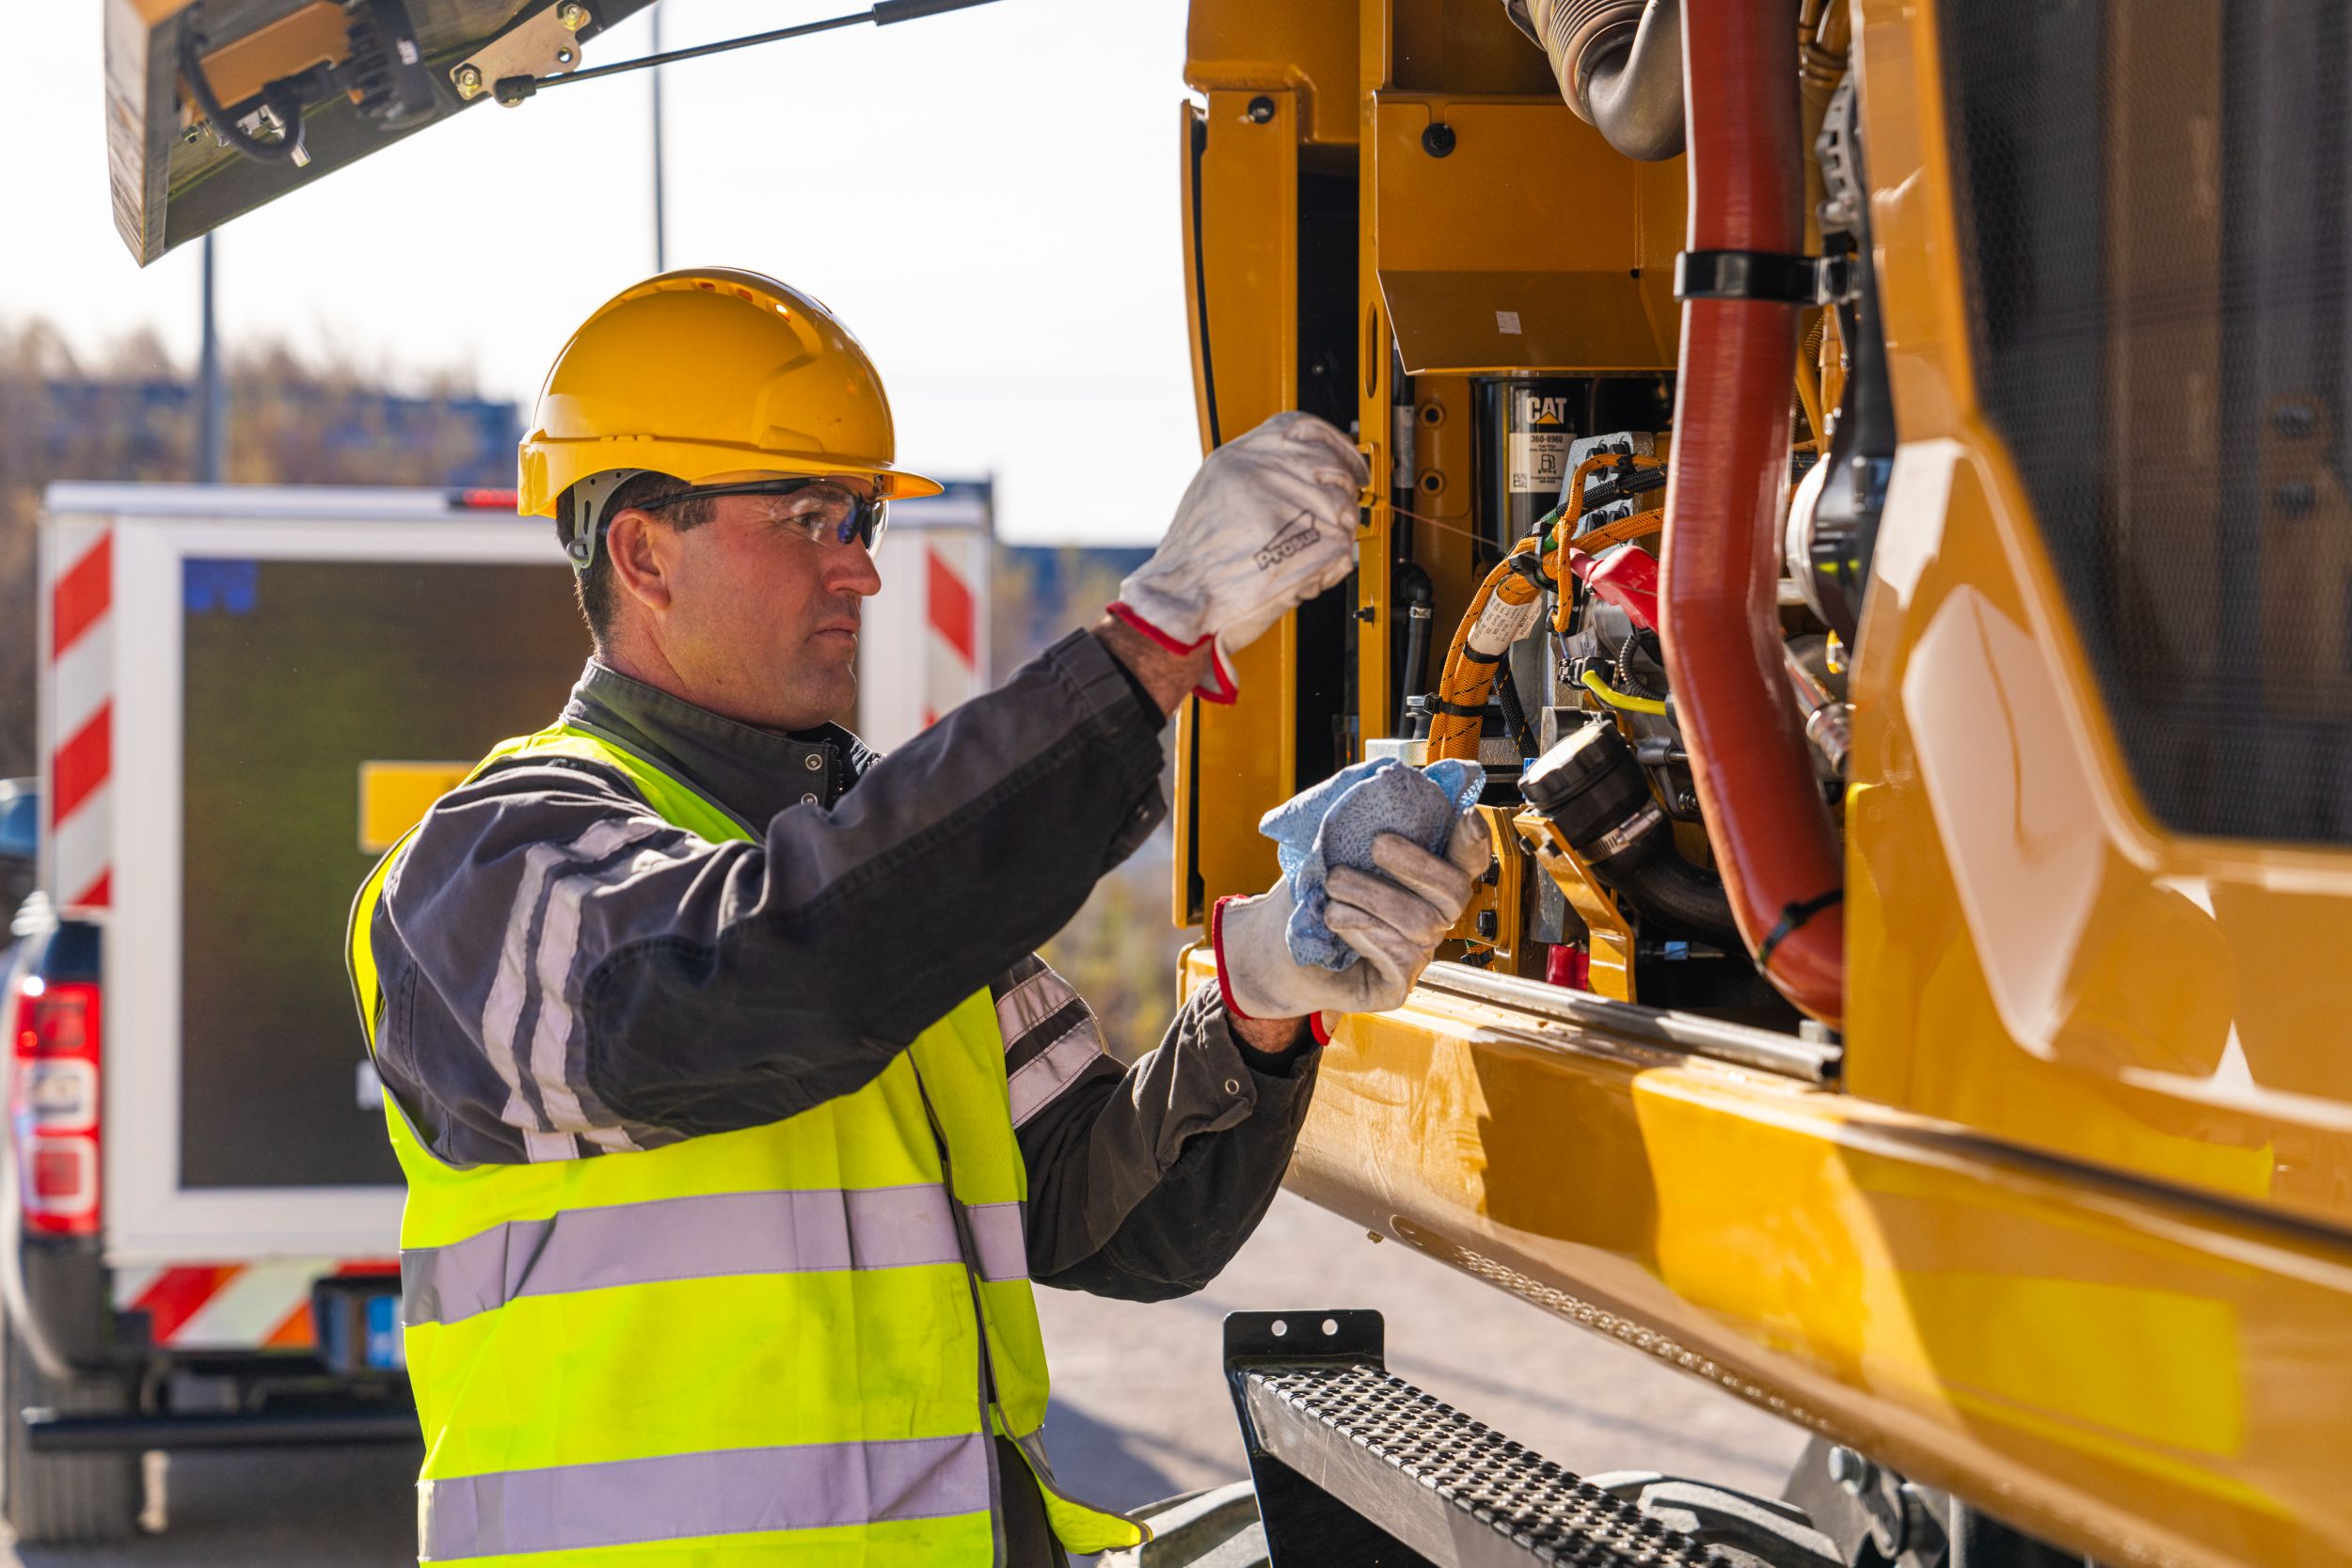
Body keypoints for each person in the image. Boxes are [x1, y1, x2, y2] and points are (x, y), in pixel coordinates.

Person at [347, 268, 1489, 1567]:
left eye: (866, 521)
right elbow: (765, 977)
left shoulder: (883, 868)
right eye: (810, 519)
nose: (860, 572)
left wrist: (1266, 1004)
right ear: (642, 550)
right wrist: (1154, 641)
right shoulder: (489, 869)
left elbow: (1106, 1216)